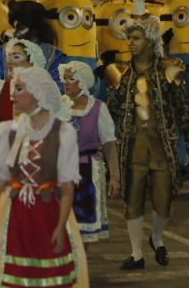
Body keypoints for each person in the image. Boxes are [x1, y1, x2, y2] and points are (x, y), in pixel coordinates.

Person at [0, 67, 88, 288]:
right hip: (17, 215)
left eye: (19, 89)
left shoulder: (62, 132)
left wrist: (61, 226)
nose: (12, 94)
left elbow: (67, 186)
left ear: (37, 93)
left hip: (49, 212)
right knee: (17, 276)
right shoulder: (5, 131)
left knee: (52, 276)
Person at [107, 4, 189, 271]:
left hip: (162, 147)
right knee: (132, 201)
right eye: (128, 38)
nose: (130, 43)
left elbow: (184, 112)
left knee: (164, 202)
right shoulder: (120, 72)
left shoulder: (170, 68)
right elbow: (111, 110)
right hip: (133, 147)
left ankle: (157, 238)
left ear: (150, 39)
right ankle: (136, 254)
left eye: (136, 38)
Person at [61, 60, 119, 244]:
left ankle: (80, 268)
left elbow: (109, 144)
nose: (66, 82)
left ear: (82, 81)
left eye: (71, 78)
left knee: (82, 229)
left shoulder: (98, 108)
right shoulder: (59, 106)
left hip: (87, 172)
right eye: (65, 79)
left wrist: (115, 177)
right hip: (60, 171)